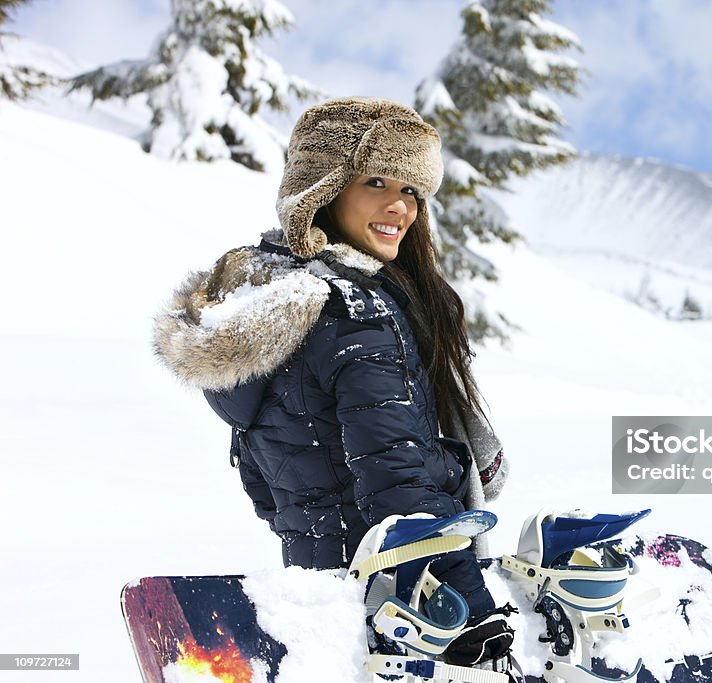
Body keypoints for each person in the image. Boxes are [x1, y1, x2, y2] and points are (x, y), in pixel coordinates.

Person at [153, 97, 514, 670]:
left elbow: (266, 485)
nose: (401, 206)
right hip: (411, 601)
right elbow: (399, 482)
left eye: (414, 191)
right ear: (322, 189)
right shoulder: (354, 313)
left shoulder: (268, 300)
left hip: (324, 591)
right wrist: (471, 601)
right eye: (377, 181)